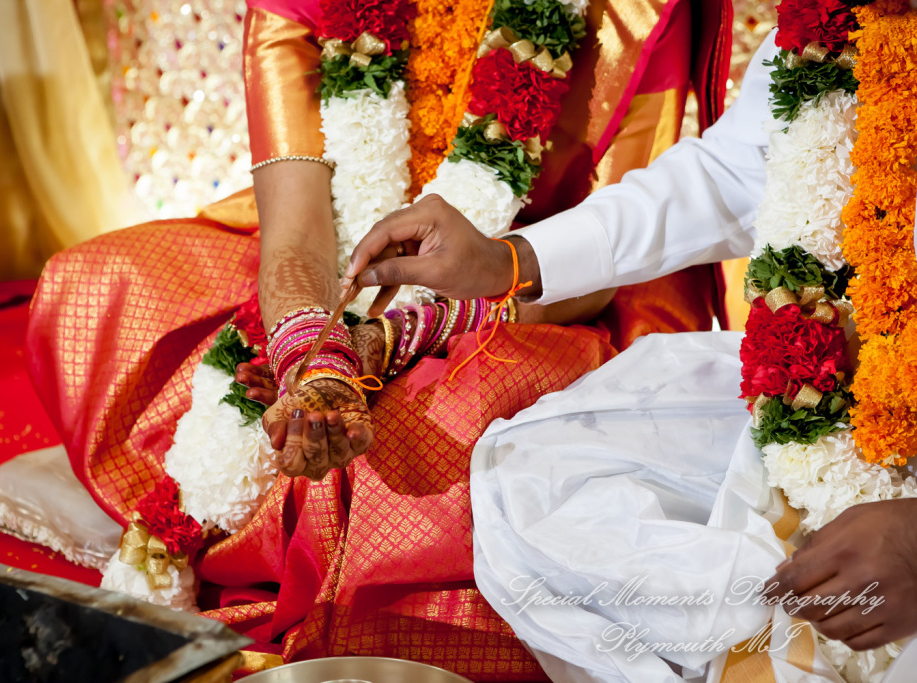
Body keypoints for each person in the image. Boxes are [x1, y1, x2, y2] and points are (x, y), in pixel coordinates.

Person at [26, 0, 734, 676]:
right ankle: (277, 518)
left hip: (518, 301)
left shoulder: (631, 16)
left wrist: (401, 332)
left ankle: (334, 546)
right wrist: (313, 350)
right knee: (92, 286)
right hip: (331, 264)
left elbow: (605, 255)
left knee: (429, 437)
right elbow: (295, 230)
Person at [345, 30, 917, 681]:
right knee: (529, 480)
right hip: (831, 397)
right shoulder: (847, 23)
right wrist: (506, 260)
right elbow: (735, 171)